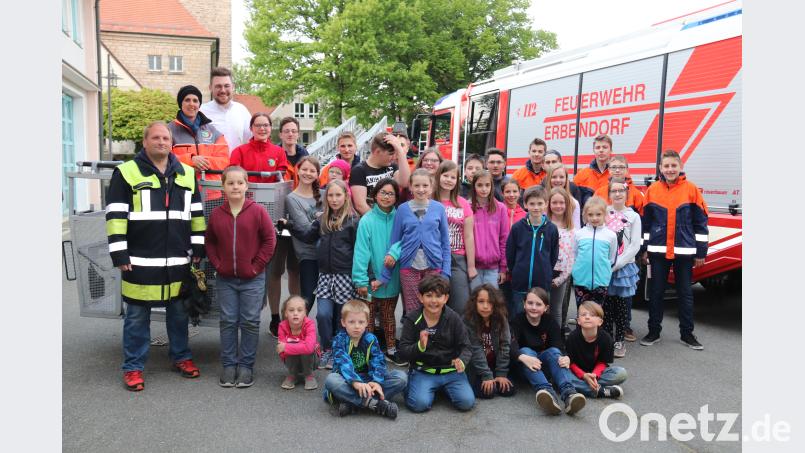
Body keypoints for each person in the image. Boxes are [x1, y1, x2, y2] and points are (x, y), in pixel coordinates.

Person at [106, 121, 206, 391]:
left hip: (177, 259)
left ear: (171, 142)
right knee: (137, 317)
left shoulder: (186, 173)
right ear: (145, 140)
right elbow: (115, 215)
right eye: (156, 137)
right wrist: (119, 252)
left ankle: (182, 357)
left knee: (178, 314)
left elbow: (196, 214)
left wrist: (199, 247)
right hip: (139, 259)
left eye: (166, 138)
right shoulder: (125, 172)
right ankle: (133, 367)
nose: (162, 142)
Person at [206, 166, 277, 388]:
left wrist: (256, 267)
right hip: (226, 279)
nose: (235, 186)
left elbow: (269, 240)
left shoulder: (258, 211)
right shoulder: (217, 214)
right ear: (223, 187)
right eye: (230, 183)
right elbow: (210, 242)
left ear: (247, 185)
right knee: (227, 321)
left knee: (250, 321)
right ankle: (229, 365)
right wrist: (218, 264)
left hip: (253, 279)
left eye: (239, 182)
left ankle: (246, 366)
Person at [640, 150, 709, 350]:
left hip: (684, 252)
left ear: (680, 166)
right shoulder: (652, 190)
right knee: (656, 292)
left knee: (685, 293)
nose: (670, 169)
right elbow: (646, 224)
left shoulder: (691, 190)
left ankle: (687, 334)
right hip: (658, 251)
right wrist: (644, 249)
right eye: (666, 166)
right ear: (660, 168)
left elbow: (701, 224)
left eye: (673, 166)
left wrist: (701, 252)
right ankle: (653, 332)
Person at [294, 179, 359, 369]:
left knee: (342, 318)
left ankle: (339, 352)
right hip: (325, 276)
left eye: (338, 195)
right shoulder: (322, 219)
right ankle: (327, 348)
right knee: (323, 314)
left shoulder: (353, 221)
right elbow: (307, 235)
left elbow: (360, 250)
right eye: (330, 195)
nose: (334, 199)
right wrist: (289, 225)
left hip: (345, 276)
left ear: (346, 196)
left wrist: (363, 277)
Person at [397, 275, 475, 413]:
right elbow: (402, 352)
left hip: (450, 372)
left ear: (445, 298)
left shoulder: (454, 318)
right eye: (429, 295)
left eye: (438, 296)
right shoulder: (412, 319)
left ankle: (441, 388)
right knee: (418, 405)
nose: (434, 301)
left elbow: (466, 346)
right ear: (421, 297)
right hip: (424, 371)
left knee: (466, 403)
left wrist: (462, 361)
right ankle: (419, 386)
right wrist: (419, 346)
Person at [380, 169, 451, 314]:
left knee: (434, 307)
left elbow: (445, 243)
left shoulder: (438, 209)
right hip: (409, 267)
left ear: (431, 187)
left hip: (433, 265)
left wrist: (446, 272)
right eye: (417, 186)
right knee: (412, 309)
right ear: (411, 187)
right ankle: (414, 336)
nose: (421, 189)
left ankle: (432, 337)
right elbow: (395, 241)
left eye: (425, 186)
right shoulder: (402, 209)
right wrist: (386, 274)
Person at [323, 300, 408, 418]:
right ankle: (374, 403)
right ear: (343, 322)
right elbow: (344, 363)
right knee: (331, 380)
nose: (356, 326)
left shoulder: (371, 339)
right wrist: (355, 382)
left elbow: (378, 361)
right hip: (347, 380)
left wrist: (376, 381)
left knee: (401, 377)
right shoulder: (339, 340)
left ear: (367, 322)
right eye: (351, 322)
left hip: (369, 380)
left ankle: (352, 403)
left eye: (361, 322)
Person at [352, 178, 406, 366]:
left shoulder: (400, 217)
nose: (386, 197)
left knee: (388, 316)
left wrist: (394, 253)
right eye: (382, 192)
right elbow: (361, 251)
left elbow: (404, 240)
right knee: (367, 319)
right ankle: (370, 352)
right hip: (369, 281)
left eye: (391, 193)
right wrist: (360, 280)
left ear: (396, 197)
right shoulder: (367, 220)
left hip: (391, 278)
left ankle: (391, 349)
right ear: (374, 195)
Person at [510, 287, 586, 415]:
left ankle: (569, 394)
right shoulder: (517, 321)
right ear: (524, 304)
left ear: (546, 307)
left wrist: (566, 357)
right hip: (525, 367)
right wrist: (523, 357)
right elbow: (510, 346)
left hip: (544, 367)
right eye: (530, 303)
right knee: (525, 351)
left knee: (554, 352)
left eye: (538, 304)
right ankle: (547, 393)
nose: (534, 307)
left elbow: (559, 346)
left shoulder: (550, 322)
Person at [505, 185, 559, 318]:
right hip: (520, 282)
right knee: (519, 315)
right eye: (532, 203)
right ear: (525, 204)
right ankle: (517, 339)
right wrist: (516, 271)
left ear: (546, 204)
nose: (536, 207)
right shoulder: (518, 228)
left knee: (541, 317)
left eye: (540, 203)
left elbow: (553, 255)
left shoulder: (552, 229)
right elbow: (510, 254)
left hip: (542, 283)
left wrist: (545, 271)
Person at [168, 85, 229, 200]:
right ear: (181, 103)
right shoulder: (169, 130)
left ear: (199, 104)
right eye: (187, 100)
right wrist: (190, 160)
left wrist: (202, 162)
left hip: (212, 194)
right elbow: (164, 158)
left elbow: (224, 160)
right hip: (181, 192)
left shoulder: (213, 132)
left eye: (195, 100)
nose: (192, 104)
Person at [603, 179, 642, 358]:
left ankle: (619, 340)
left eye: (621, 190)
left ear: (626, 193)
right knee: (606, 306)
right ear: (609, 194)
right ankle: (606, 340)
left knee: (621, 307)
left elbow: (634, 245)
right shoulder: (604, 213)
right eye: (614, 191)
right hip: (606, 266)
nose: (617, 194)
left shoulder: (633, 216)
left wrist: (617, 264)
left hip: (624, 267)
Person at [434, 160, 476, 315]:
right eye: (445, 175)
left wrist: (471, 266)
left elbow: (469, 235)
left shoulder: (463, 204)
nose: (448, 180)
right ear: (438, 176)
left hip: (458, 258)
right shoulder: (431, 201)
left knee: (460, 304)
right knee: (436, 303)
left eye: (453, 177)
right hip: (435, 257)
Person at [283, 157, 322, 312]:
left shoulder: (326, 194)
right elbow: (306, 230)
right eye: (304, 169)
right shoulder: (292, 198)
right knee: (308, 297)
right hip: (308, 254)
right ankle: (294, 331)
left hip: (329, 254)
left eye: (312, 171)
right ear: (298, 171)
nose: (308, 173)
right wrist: (323, 219)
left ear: (318, 174)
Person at [565, 301, 627, 399]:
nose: (587, 317)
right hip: (576, 373)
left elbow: (602, 362)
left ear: (600, 322)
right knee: (562, 375)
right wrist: (584, 375)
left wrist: (594, 375)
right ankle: (600, 391)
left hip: (596, 373)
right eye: (583, 314)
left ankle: (584, 386)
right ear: (578, 321)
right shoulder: (572, 337)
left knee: (621, 373)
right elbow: (570, 363)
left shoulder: (606, 338)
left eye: (592, 315)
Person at [463, 284, 515, 399]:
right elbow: (475, 350)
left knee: (508, 390)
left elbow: (504, 345)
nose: (485, 306)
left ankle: (496, 377)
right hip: (476, 368)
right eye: (481, 301)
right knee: (488, 392)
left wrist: (501, 373)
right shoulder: (468, 321)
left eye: (490, 302)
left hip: (494, 365)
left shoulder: (501, 319)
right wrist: (486, 376)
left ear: (495, 304)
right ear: (474, 303)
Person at [572, 197, 618, 307]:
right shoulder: (579, 234)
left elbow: (612, 259)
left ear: (605, 215)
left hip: (601, 282)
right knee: (582, 313)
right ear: (585, 215)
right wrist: (577, 273)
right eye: (590, 215)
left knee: (596, 314)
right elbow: (575, 256)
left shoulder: (611, 236)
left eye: (598, 214)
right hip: (581, 281)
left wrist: (604, 273)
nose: (594, 218)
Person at [349, 132, 411, 215]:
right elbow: (360, 206)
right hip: (372, 222)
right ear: (377, 152)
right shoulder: (359, 171)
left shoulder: (392, 166)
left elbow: (406, 182)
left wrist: (400, 150)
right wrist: (379, 221)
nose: (394, 157)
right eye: (390, 154)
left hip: (391, 218)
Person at [470, 170, 509, 290]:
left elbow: (504, 239)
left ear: (492, 186)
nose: (484, 189)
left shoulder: (500, 208)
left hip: (493, 268)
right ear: (474, 186)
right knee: (475, 301)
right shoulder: (468, 207)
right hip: (474, 266)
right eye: (480, 185)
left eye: (487, 185)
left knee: (491, 302)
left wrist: (503, 267)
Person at [200, 67, 252, 153]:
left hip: (237, 165)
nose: (223, 90)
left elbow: (250, 140)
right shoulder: (201, 112)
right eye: (218, 86)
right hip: (211, 165)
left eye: (226, 86)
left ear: (233, 87)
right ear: (210, 88)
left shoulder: (242, 111)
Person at [547, 187, 577, 334]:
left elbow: (572, 257)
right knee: (541, 308)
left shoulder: (572, 229)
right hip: (544, 273)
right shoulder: (544, 225)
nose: (558, 206)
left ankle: (556, 341)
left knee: (556, 310)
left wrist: (562, 278)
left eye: (562, 202)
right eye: (554, 202)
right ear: (549, 204)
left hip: (561, 275)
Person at [229, 112, 288, 183]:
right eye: (258, 125)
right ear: (251, 128)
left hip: (271, 193)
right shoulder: (239, 151)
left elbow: (280, 180)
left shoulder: (279, 152)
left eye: (266, 125)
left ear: (270, 128)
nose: (262, 128)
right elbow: (233, 177)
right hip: (246, 193)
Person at [277, 295, 320, 390]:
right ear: (286, 314)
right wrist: (288, 348)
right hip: (291, 361)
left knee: (303, 347)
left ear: (305, 313)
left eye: (299, 310)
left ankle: (309, 375)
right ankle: (293, 374)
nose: (295, 313)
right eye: (291, 310)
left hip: (312, 360)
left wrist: (287, 347)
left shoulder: (310, 324)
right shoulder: (282, 326)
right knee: (293, 346)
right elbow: (281, 351)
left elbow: (309, 348)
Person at [573, 134, 614, 201]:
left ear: (611, 150)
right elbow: (573, 200)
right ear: (594, 151)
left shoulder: (617, 174)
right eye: (598, 147)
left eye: (605, 147)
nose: (601, 150)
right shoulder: (581, 175)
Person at [543, 164, 581, 229]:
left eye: (561, 177)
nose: (558, 180)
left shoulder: (574, 203)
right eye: (554, 177)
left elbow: (576, 228)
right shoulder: (542, 201)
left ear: (566, 179)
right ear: (548, 178)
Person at [277, 117, 310, 182]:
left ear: (298, 135)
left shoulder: (305, 156)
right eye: (287, 131)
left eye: (293, 131)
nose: (290, 134)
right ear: (280, 135)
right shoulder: (274, 156)